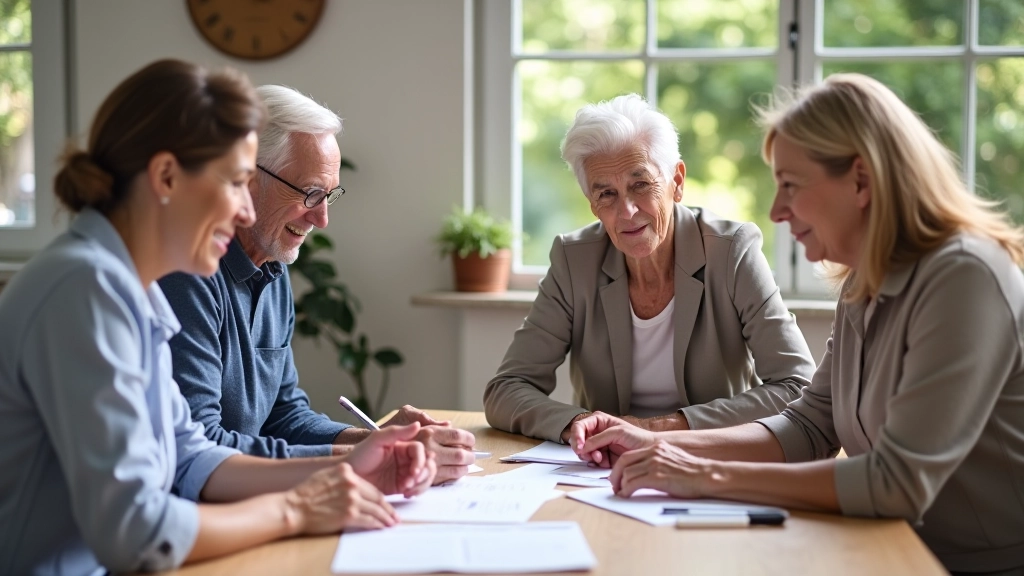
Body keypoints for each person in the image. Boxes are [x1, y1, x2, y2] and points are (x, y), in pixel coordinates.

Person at [570, 74, 1024, 574]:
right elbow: (810, 426)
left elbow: (895, 483)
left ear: (861, 181)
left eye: (790, 185)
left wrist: (704, 474)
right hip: (886, 550)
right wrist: (655, 442)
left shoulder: (966, 276)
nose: (777, 210)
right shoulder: (864, 281)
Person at [0, 59, 435, 575]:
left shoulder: (129, 287)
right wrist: (297, 508)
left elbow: (190, 458)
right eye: (234, 183)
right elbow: (138, 534)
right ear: (166, 177)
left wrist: (353, 466)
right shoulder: (85, 290)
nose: (245, 211)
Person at [158, 85, 475, 482]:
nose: (321, 219)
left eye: (328, 195)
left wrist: (379, 442)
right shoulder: (187, 275)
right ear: (247, 177)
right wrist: (365, 460)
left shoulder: (272, 267)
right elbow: (202, 446)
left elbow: (283, 416)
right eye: (310, 193)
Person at [483, 94, 816, 443]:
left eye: (640, 184)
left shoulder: (732, 252)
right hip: (605, 461)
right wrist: (579, 424)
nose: (626, 211)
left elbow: (797, 385)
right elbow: (506, 390)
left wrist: (659, 428)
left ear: (677, 182)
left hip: (706, 455)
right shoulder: (574, 260)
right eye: (606, 194)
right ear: (592, 204)